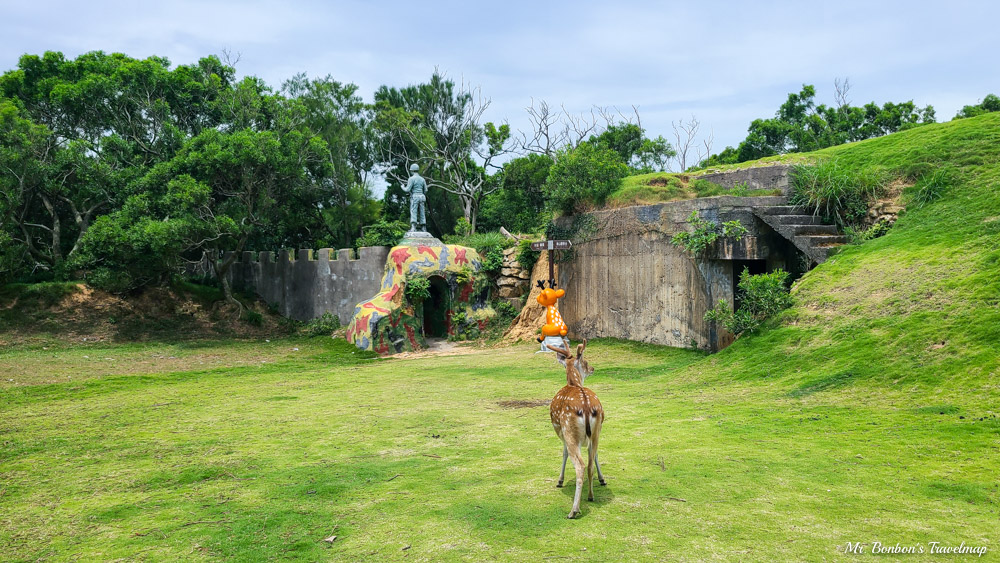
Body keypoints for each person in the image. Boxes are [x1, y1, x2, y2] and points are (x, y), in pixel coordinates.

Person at [403, 163, 427, 232]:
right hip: (422, 196)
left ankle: (413, 227)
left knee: (414, 211)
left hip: (415, 196)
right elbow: (426, 190)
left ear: (412, 170)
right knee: (422, 212)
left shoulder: (411, 179)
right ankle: (423, 227)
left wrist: (402, 187)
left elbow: (407, 189)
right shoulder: (422, 179)